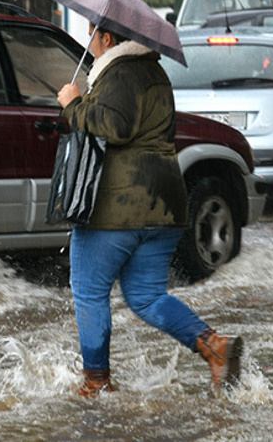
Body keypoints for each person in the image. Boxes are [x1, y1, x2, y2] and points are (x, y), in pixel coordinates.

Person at [56, 23, 243, 398]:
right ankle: (215, 348)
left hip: (117, 204)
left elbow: (115, 126)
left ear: (107, 38)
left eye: (92, 34)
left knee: (89, 292)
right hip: (164, 201)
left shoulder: (118, 73)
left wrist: (73, 104)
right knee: (146, 296)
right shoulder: (155, 72)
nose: (89, 43)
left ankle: (96, 383)